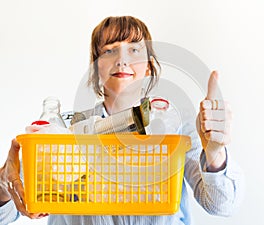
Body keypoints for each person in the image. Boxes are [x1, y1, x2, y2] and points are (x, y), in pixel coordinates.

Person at [0, 16, 243, 225]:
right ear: (95, 68)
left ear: (148, 66)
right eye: (109, 50)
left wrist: (215, 152)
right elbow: (8, 212)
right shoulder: (64, 130)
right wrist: (4, 184)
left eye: (135, 50)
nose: (122, 59)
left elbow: (220, 205)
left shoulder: (175, 127)